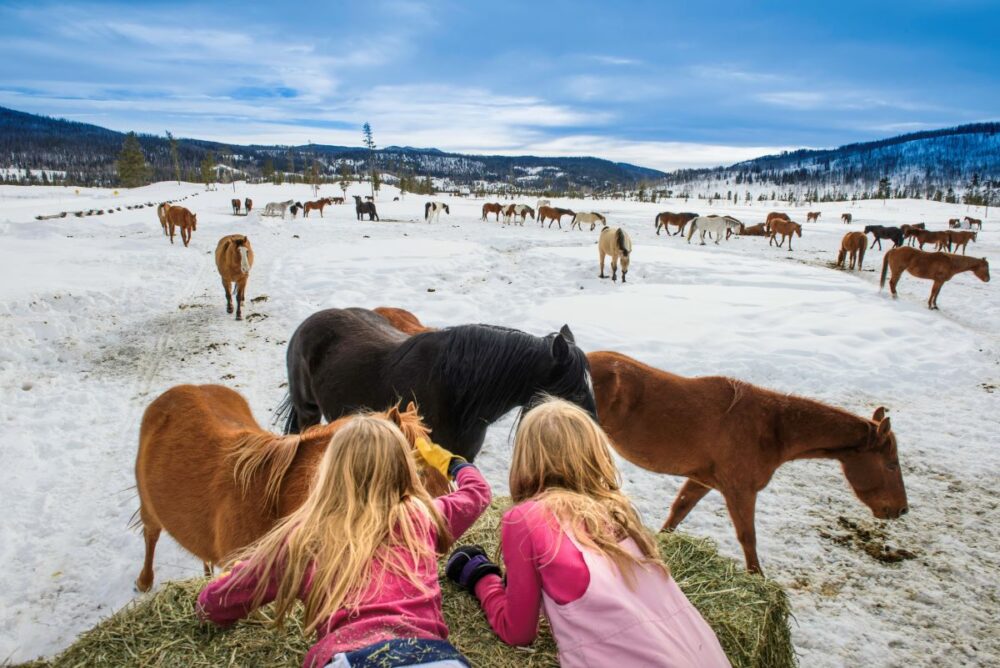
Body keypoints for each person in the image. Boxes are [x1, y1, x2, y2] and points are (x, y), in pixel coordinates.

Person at [446, 398, 730, 667]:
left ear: (525, 459)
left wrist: (482, 578)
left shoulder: (526, 518)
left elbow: (518, 631)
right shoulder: (620, 513)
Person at [196, 414, 490, 668]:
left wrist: (206, 601)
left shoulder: (305, 535)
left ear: (329, 471)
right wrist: (451, 463)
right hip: (434, 657)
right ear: (404, 469)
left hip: (350, 658)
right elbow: (478, 494)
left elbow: (224, 598)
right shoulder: (421, 517)